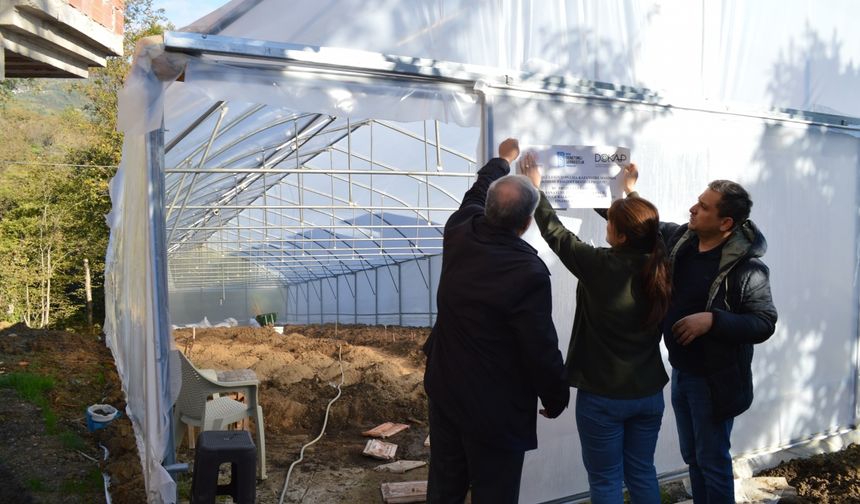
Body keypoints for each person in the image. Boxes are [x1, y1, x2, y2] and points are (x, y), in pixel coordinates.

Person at [422, 139, 570, 504]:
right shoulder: (528, 271)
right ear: (526, 223)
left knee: (445, 485)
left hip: (447, 390)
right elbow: (539, 347)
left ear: (487, 209)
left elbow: (475, 192)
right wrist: (555, 396)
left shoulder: (459, 231)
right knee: (495, 492)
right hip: (496, 409)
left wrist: (504, 160)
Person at [519, 154, 671, 504]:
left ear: (618, 236)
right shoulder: (663, 264)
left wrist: (535, 189)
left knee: (605, 481)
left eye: (610, 226)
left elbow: (556, 234)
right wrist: (628, 196)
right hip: (648, 395)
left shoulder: (601, 266)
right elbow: (647, 233)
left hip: (603, 398)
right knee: (642, 473)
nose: (606, 229)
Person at [626, 165, 777, 503]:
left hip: (714, 381)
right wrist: (628, 193)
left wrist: (713, 320)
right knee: (693, 457)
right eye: (697, 202)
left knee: (712, 461)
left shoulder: (748, 268)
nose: (693, 209)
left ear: (726, 223)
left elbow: (764, 322)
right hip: (682, 372)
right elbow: (642, 226)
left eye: (704, 206)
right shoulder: (683, 240)